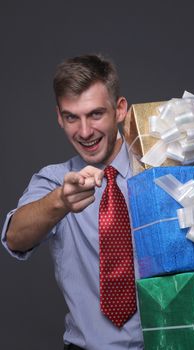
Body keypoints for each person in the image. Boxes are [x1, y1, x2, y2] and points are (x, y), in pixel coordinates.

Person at [1, 54, 144, 349]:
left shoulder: (159, 169)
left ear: (119, 110)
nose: (85, 131)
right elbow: (14, 237)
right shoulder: (55, 181)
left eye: (95, 114)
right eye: (71, 117)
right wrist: (60, 202)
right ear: (59, 117)